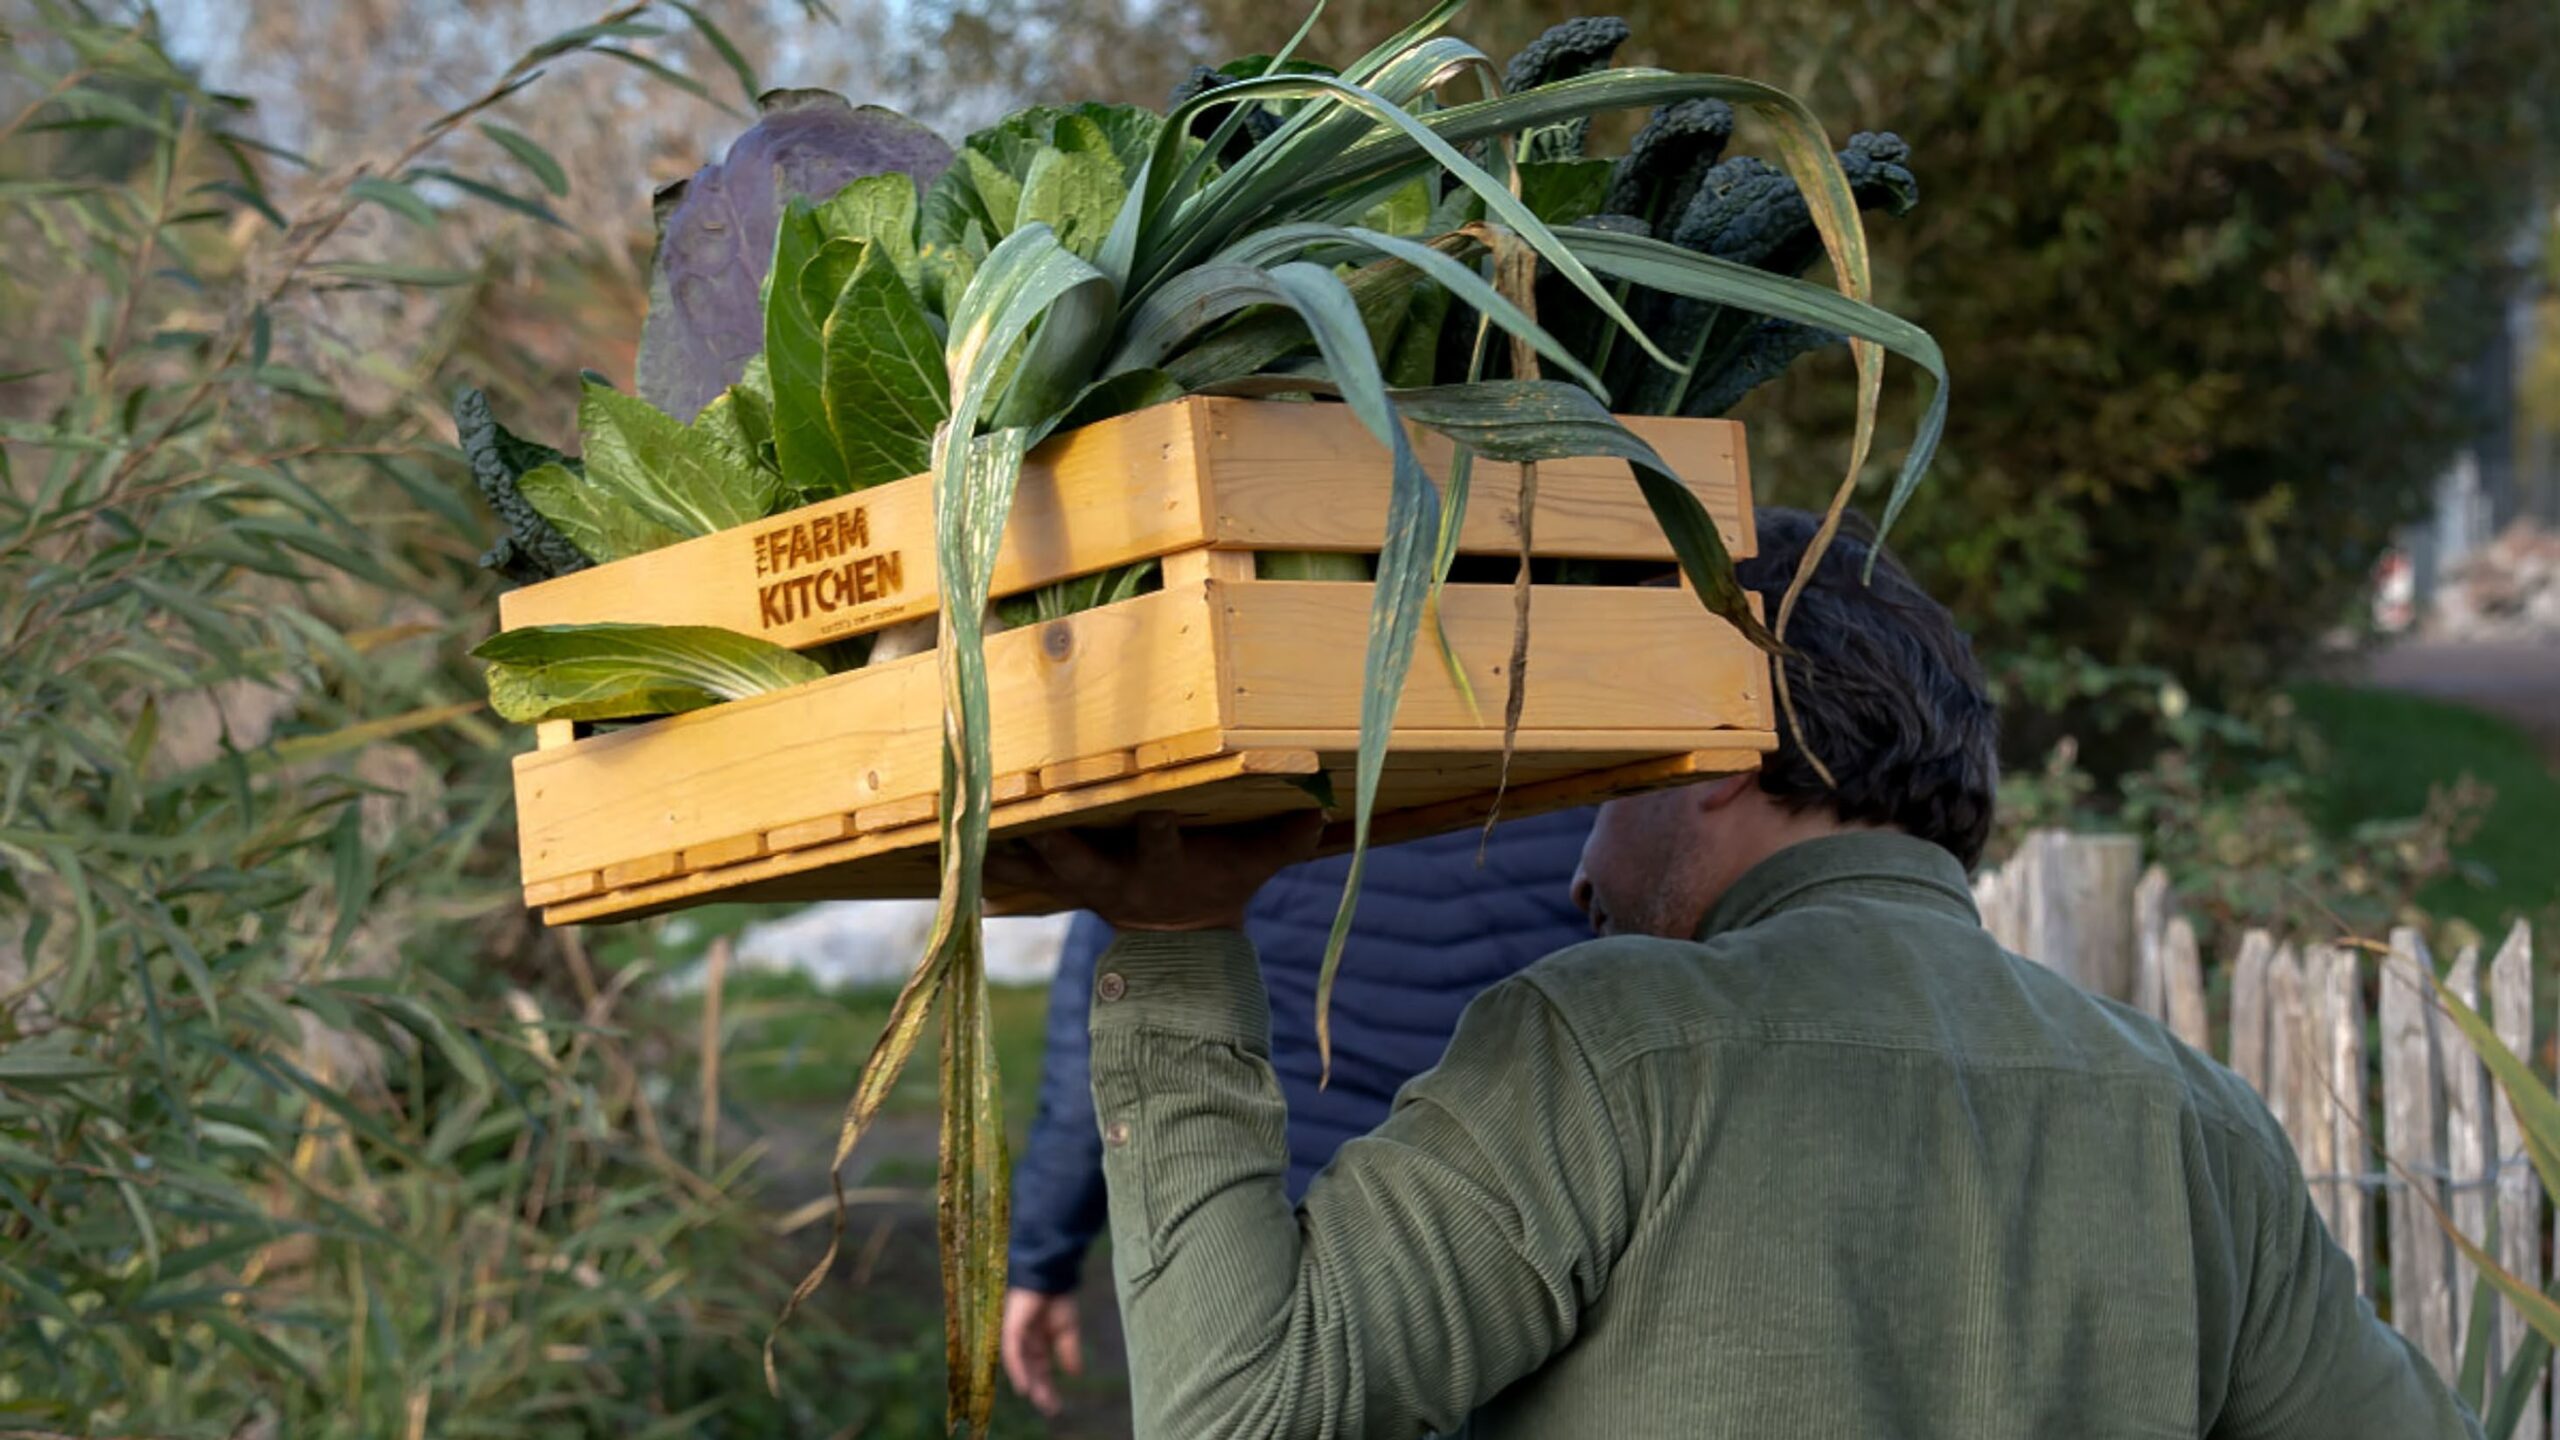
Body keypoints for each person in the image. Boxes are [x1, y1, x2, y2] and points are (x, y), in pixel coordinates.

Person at [988, 506, 2480, 1439]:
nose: (1576, 859)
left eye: (1612, 774)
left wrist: (1179, 943)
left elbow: (1243, 1409)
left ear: (1719, 762)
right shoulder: (2195, 1121)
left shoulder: (1611, 1047)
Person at [1001, 808, 1600, 1415]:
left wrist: (1041, 1261)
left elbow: (1100, 1057)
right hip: (1516, 1250)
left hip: (1285, 1235)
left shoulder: (1220, 776)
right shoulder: (1591, 772)